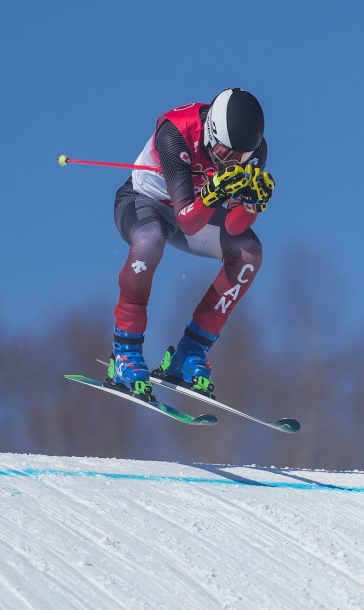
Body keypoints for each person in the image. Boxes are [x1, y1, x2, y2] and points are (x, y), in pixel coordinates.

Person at [108, 87, 275, 400]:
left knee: (249, 255)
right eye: (225, 154)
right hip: (145, 202)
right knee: (150, 241)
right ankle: (125, 352)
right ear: (211, 133)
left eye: (239, 158)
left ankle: (189, 353)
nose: (231, 162)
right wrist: (213, 194)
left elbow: (233, 224)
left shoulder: (254, 153)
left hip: (197, 212)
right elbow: (187, 219)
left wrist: (250, 204)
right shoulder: (176, 132)